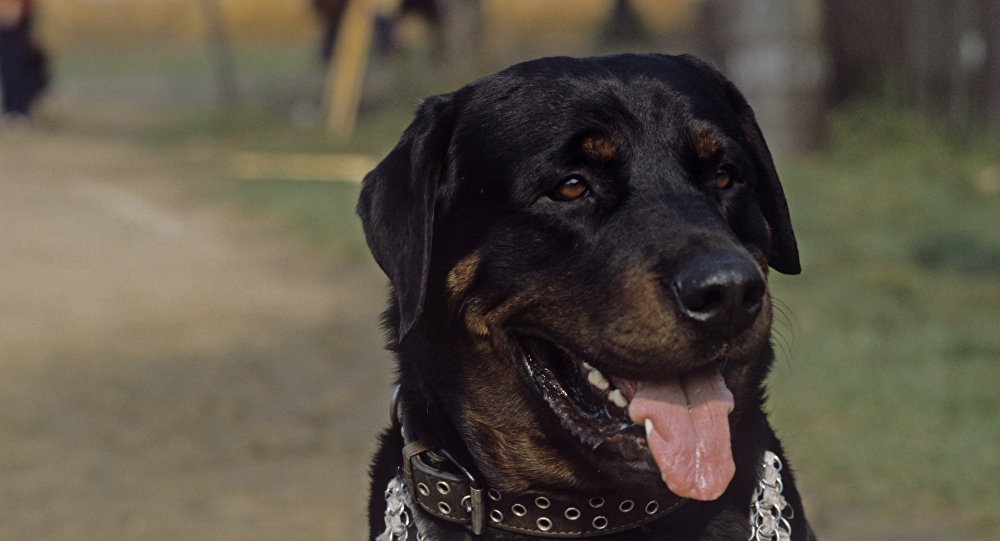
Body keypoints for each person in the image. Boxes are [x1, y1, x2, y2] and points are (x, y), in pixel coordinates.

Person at [0, 0, 48, 118]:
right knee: (13, 61)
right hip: (13, 12)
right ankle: (16, 109)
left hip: (17, 12)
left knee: (16, 60)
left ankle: (17, 109)